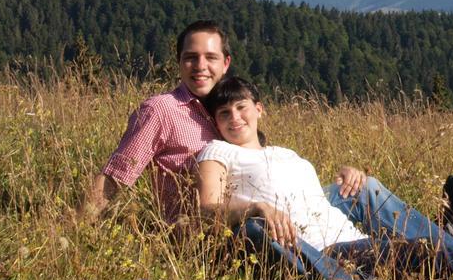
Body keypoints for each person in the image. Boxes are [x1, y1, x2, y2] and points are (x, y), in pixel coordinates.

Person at [196, 76, 453, 280]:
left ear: (259, 109)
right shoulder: (218, 151)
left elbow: (312, 197)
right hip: (321, 252)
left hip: (352, 239)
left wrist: (350, 178)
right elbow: (207, 208)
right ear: (215, 122)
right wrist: (256, 206)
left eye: (241, 107)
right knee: (424, 257)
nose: (234, 118)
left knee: (370, 191)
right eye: (224, 113)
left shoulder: (284, 153)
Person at [80, 20, 366, 223]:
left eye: (210, 57)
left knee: (365, 191)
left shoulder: (229, 110)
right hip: (216, 231)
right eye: (190, 58)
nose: (200, 66)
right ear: (179, 62)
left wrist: (342, 175)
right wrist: (78, 234)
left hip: (269, 212)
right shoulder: (161, 111)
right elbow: (115, 177)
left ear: (226, 63)